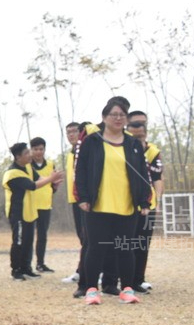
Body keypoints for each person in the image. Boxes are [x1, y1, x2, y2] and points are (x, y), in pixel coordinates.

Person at [73, 100, 152, 305]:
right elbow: (80, 171)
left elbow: (143, 173)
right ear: (104, 117)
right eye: (114, 114)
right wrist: (82, 197)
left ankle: (126, 289)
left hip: (126, 205)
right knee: (96, 248)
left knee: (125, 247)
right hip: (98, 205)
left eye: (122, 115)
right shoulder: (92, 141)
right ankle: (91, 289)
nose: (118, 118)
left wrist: (144, 201)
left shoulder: (133, 143)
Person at [3, 143, 61, 280]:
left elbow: (38, 178)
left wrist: (53, 182)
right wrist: (50, 179)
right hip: (17, 212)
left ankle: (26, 268)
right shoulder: (12, 173)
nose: (30, 155)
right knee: (18, 241)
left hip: (29, 211)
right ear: (18, 157)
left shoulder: (28, 167)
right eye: (26, 153)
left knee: (28, 240)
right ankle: (16, 270)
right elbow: (32, 186)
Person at [126, 110, 163, 292]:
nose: (138, 138)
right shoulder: (120, 149)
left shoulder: (153, 151)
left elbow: (157, 176)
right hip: (125, 203)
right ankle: (121, 279)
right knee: (126, 242)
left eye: (141, 133)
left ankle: (137, 279)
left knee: (142, 243)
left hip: (148, 205)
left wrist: (158, 198)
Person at [61, 121, 89, 284]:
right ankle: (82, 269)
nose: (71, 135)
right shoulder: (71, 153)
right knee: (82, 237)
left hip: (84, 200)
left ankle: (91, 270)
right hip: (75, 200)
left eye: (74, 131)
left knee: (88, 238)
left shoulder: (85, 151)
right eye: (68, 132)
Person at [28, 137, 59, 273]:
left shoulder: (51, 164)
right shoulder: (27, 166)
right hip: (30, 204)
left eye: (41, 149)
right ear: (31, 150)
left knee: (42, 235)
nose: (38, 152)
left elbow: (53, 184)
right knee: (28, 236)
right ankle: (26, 264)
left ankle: (40, 263)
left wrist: (55, 186)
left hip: (45, 204)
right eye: (35, 149)